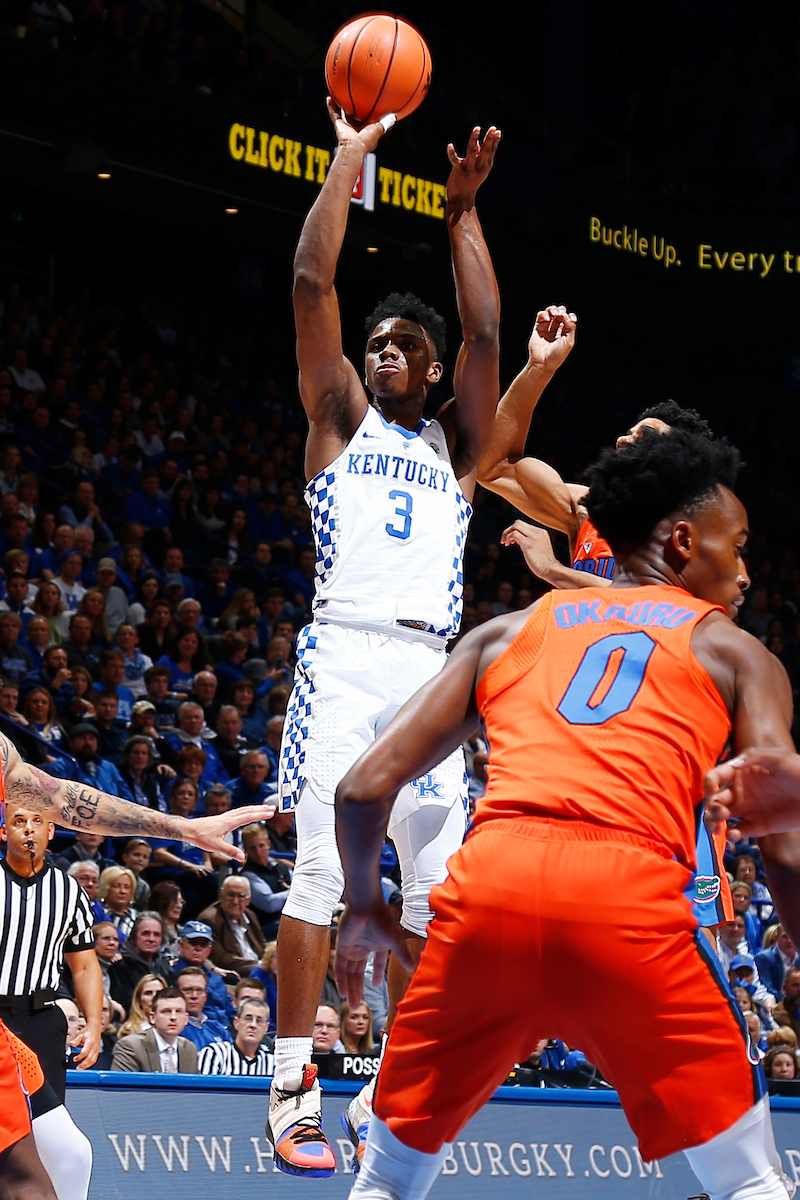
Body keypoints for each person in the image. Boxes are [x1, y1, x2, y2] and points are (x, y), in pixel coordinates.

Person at [333, 428, 800, 1200]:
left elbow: (361, 788)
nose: (746, 572)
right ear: (682, 542)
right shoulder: (737, 653)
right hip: (627, 902)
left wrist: (363, 906)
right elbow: (781, 843)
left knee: (386, 1181)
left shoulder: (506, 632)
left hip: (490, 894)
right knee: (749, 1182)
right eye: (739, 545)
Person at [267, 99, 501, 1177]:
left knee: (440, 896)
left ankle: (395, 1090)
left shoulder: (457, 449)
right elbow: (313, 285)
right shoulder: (337, 422)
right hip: (346, 654)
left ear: (431, 361)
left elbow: (487, 334)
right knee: (318, 875)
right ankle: (288, 1093)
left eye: (405, 341)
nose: (385, 349)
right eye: (377, 343)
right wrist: (349, 158)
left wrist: (461, 216)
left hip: (431, 672)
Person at [0, 800, 97, 1200]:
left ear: (51, 832)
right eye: (18, 822)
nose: (28, 830)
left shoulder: (68, 889)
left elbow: (85, 965)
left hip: (42, 1021)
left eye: (37, 822)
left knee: (50, 1144)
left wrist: (94, 1024)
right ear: (3, 832)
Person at [111, 988, 197, 1073]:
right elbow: (122, 1085)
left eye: (178, 1011)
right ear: (152, 1017)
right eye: (166, 1011)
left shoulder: (189, 1049)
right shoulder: (130, 1047)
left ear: (186, 1019)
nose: (173, 1017)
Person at [198, 875, 266, 975]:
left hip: (258, 967)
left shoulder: (250, 914)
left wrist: (270, 959)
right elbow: (222, 958)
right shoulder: (209, 919)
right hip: (236, 972)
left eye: (241, 896)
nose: (235, 901)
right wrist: (259, 964)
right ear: (221, 895)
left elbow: (262, 944)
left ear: (249, 899)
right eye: (231, 895)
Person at [197, 996, 272, 1075]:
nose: (253, 1025)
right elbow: (206, 1086)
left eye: (259, 1021)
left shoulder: (271, 1062)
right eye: (248, 1019)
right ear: (236, 1023)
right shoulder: (215, 1053)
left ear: (266, 1028)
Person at [175, 967, 232, 1051]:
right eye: (187, 990)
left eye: (199, 990)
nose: (194, 996)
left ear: (205, 995)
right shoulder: (173, 1029)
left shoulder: (218, 1028)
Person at [116, 974, 165, 1039]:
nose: (154, 997)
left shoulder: (175, 1027)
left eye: (159, 993)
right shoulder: (128, 1031)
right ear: (139, 1000)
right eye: (148, 993)